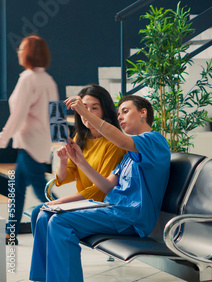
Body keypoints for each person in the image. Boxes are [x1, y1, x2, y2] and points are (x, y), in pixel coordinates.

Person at [30, 94, 170, 281]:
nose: (120, 117)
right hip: (113, 211)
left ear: (143, 113)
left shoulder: (154, 141)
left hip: (131, 218)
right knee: (45, 214)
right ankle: (44, 278)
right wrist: (79, 161)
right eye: (118, 113)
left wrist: (83, 111)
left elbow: (121, 140)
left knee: (60, 222)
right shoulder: (130, 154)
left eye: (125, 111)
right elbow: (106, 185)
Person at [30, 84, 126, 233]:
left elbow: (102, 191)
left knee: (41, 212)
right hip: (84, 203)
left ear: (104, 111)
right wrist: (63, 160)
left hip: (102, 205)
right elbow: (63, 178)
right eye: (84, 107)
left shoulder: (115, 144)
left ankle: (50, 256)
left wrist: (61, 202)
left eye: (94, 108)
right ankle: (46, 257)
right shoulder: (81, 138)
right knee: (39, 213)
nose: (87, 113)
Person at [0, 36, 58, 245]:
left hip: (30, 143)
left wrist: (2, 138)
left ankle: (68, 219)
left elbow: (19, 114)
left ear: (30, 53)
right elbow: (55, 113)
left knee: (40, 189)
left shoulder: (28, 78)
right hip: (36, 142)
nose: (18, 51)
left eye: (22, 48)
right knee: (18, 188)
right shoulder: (47, 79)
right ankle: (10, 232)